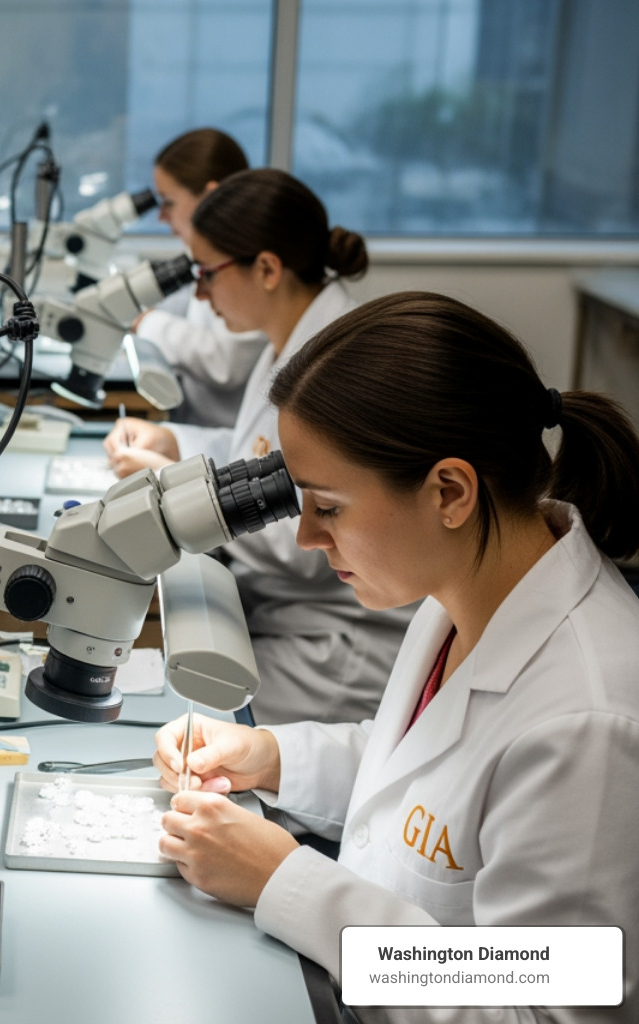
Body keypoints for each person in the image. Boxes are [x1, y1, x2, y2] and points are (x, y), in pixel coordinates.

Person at [152, 291, 639, 1023]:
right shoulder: (467, 585)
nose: (308, 539)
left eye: (330, 508)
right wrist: (272, 753)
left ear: (449, 491)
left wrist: (284, 880)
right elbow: (423, 784)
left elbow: (540, 1014)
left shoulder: (587, 722)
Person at [105, 168, 411, 725]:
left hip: (333, 638)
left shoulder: (332, 358)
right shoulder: (292, 338)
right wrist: (174, 442)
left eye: (207, 273)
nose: (198, 293)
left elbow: (304, 541)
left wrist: (177, 494)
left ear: (267, 268)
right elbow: (262, 452)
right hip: (276, 607)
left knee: (178, 726)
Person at [131, 128, 266, 428]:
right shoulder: (213, 256)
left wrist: (147, 322)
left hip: (224, 432)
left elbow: (227, 362)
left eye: (168, 201)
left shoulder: (247, 262)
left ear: (210, 196)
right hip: (198, 425)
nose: (161, 217)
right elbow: (185, 309)